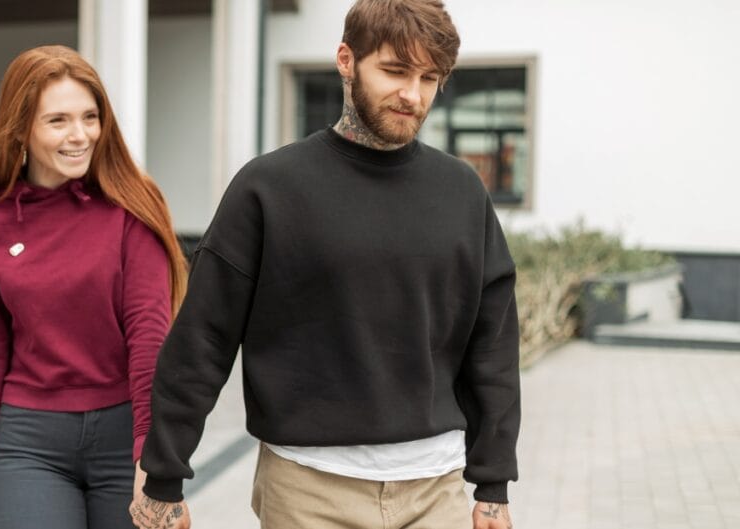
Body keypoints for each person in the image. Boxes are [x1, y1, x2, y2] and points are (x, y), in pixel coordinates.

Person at [130, 1, 520, 528]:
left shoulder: (463, 194)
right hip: (307, 489)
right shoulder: (269, 188)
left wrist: (492, 483)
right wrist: (163, 476)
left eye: (430, 77)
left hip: (436, 491)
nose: (413, 94)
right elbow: (204, 338)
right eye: (395, 70)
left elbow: (492, 343)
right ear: (345, 59)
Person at [0, 45, 188, 529]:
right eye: (58, 121)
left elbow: (149, 339)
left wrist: (152, 460)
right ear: (22, 130)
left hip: (125, 437)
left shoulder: (132, 207)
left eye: (90, 117)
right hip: (29, 444)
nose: (80, 136)